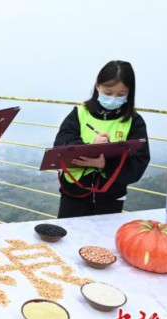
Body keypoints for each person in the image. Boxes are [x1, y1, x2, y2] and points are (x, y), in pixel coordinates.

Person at [54, 60, 150, 218]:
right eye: (108, 92)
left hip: (110, 198)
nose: (113, 98)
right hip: (74, 195)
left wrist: (105, 164)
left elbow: (138, 163)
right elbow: (61, 145)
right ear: (97, 86)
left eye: (121, 94)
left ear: (130, 92)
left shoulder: (134, 122)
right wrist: (91, 147)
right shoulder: (78, 114)